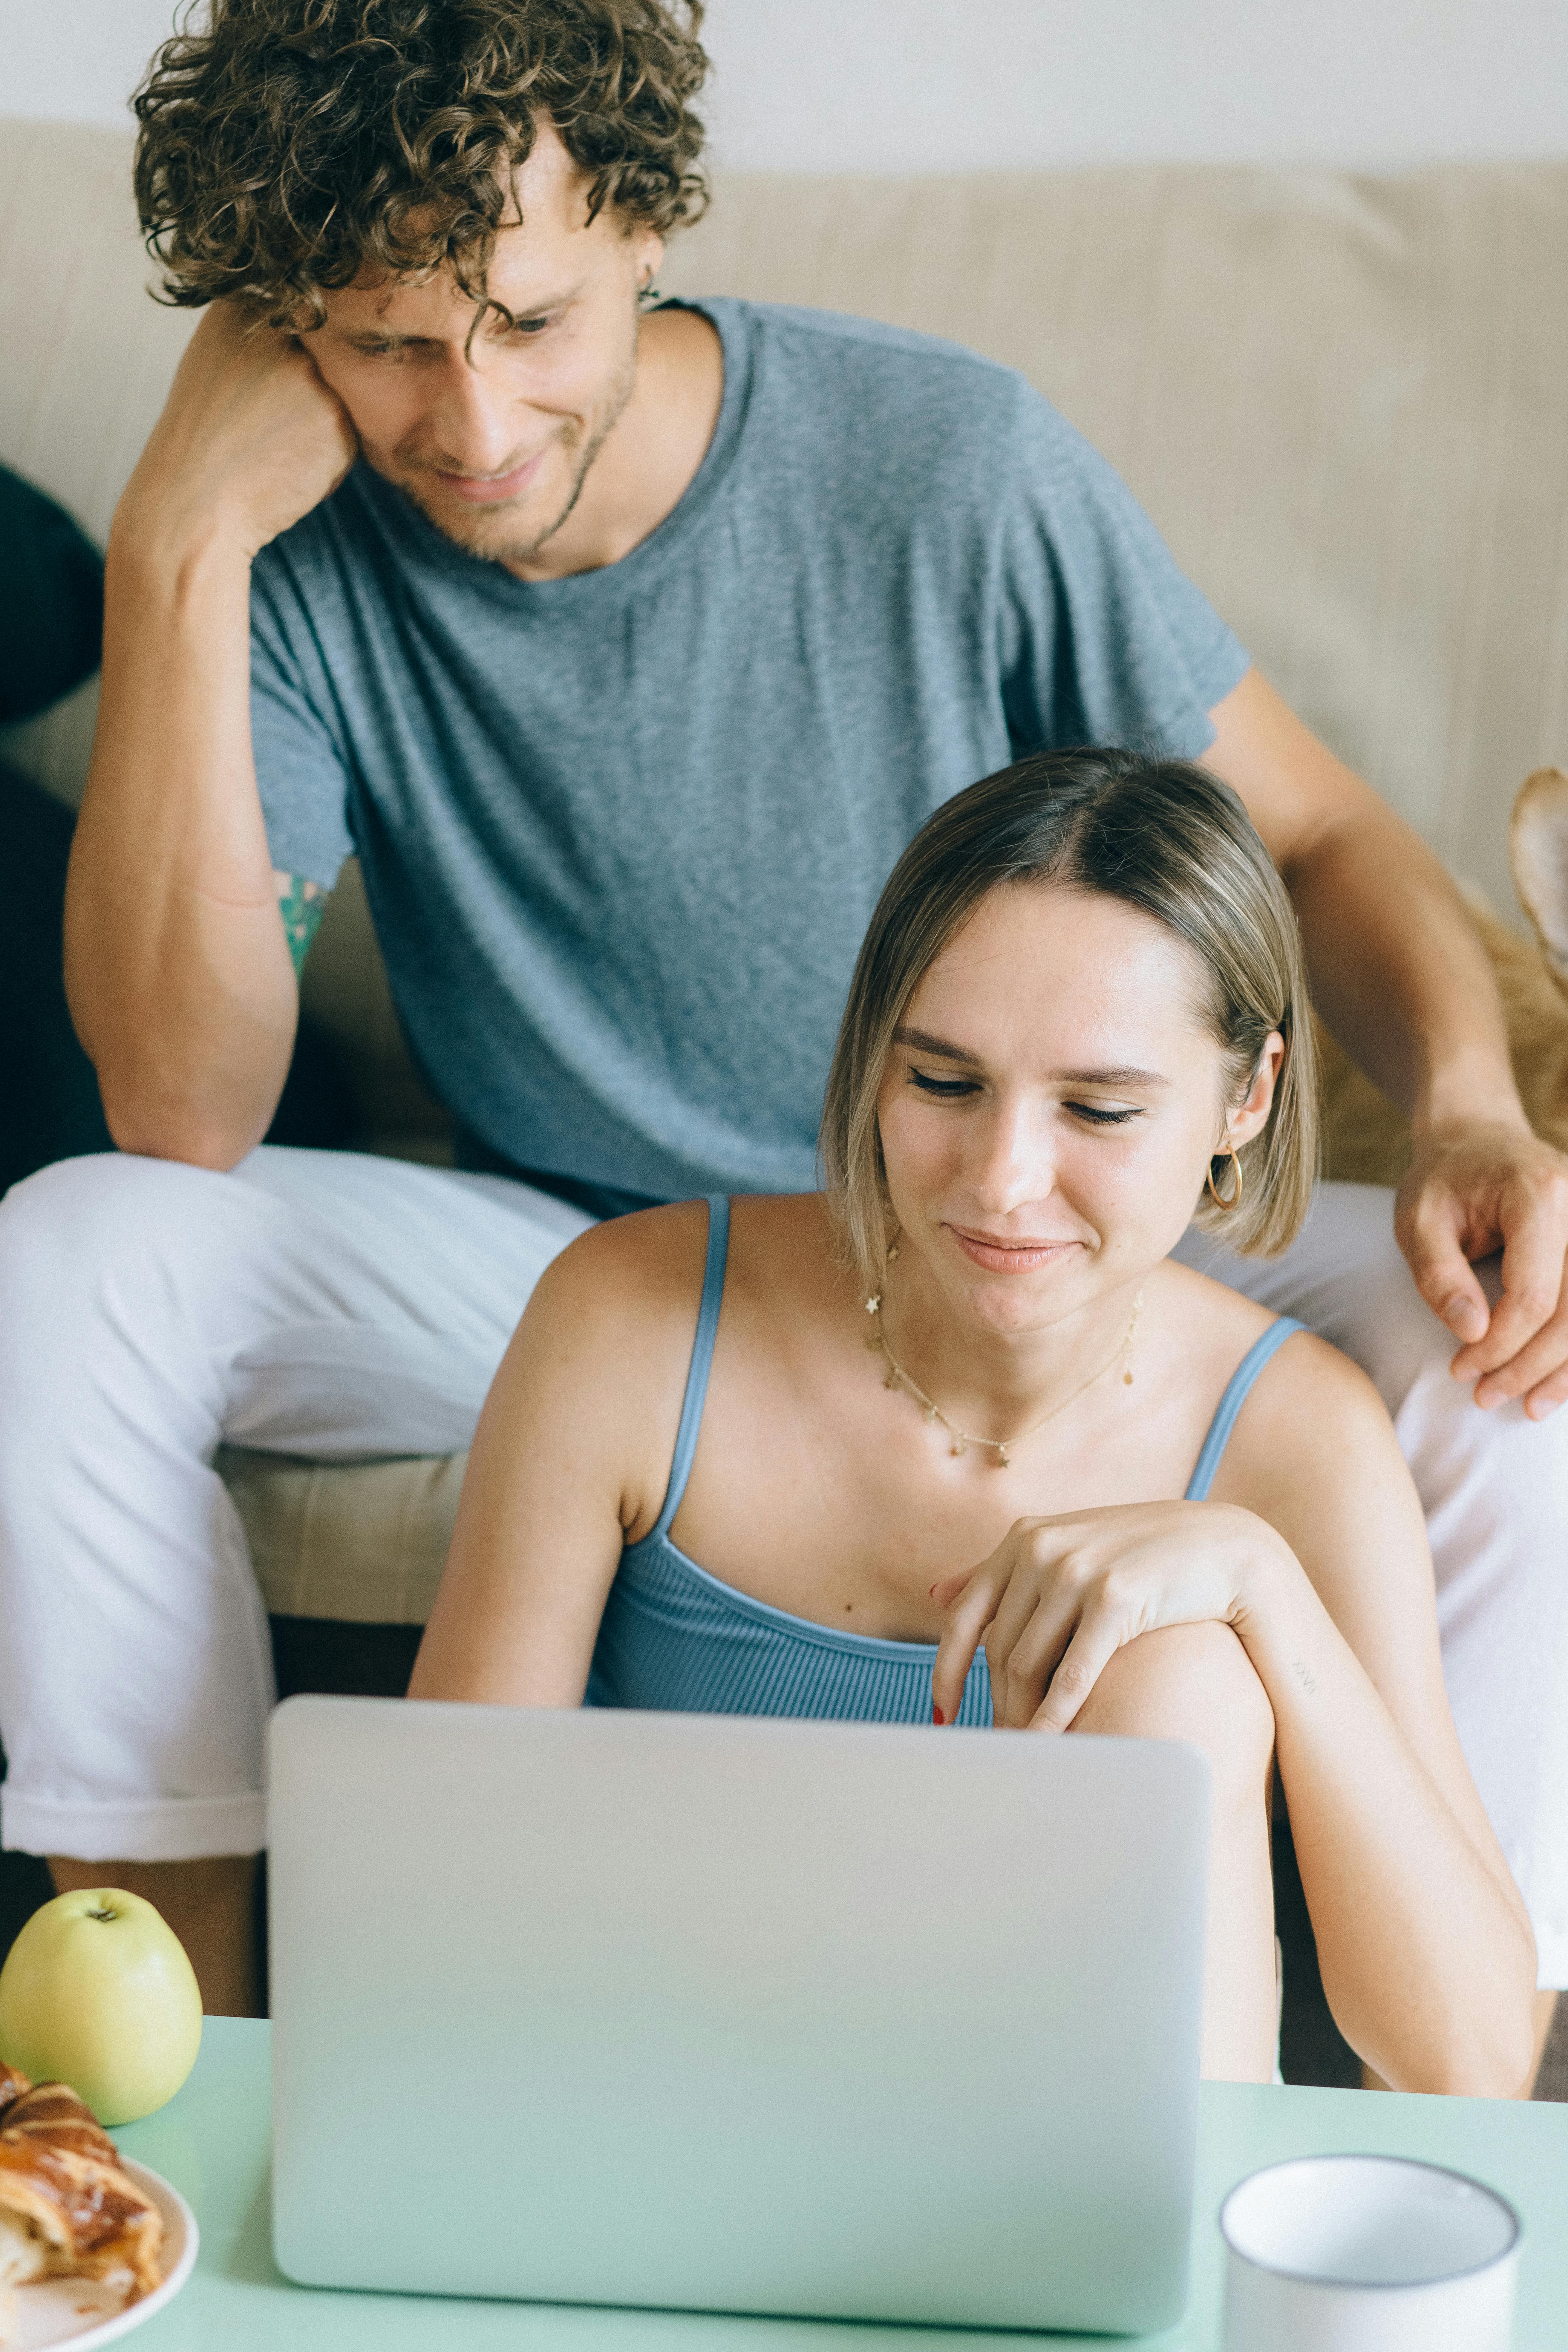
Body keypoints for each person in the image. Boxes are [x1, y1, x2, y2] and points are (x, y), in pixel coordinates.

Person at [0, 0, 1565, 2041]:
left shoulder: (947, 464)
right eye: (384, 345)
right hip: (605, 1276)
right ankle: (179, 2061)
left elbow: (1327, 836)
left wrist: (1462, 1102)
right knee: (70, 1259)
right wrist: (180, 550)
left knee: (1527, 1354)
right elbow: (180, 1106)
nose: (466, 423)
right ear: (283, 328)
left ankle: (1508, 2088)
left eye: (530, 322)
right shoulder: (296, 563)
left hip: (1029, 1212)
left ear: (646, 229)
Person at [409, 750, 1536, 2092]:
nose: (1003, 1183)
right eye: (942, 1083)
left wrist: (1261, 1592)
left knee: (1180, 1670)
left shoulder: (1298, 1433)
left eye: (1099, 1108)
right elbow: (429, 1899)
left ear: (1248, 1097)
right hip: (664, 2088)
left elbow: (1473, 2061)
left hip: (1057, 2182)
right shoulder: (632, 1323)